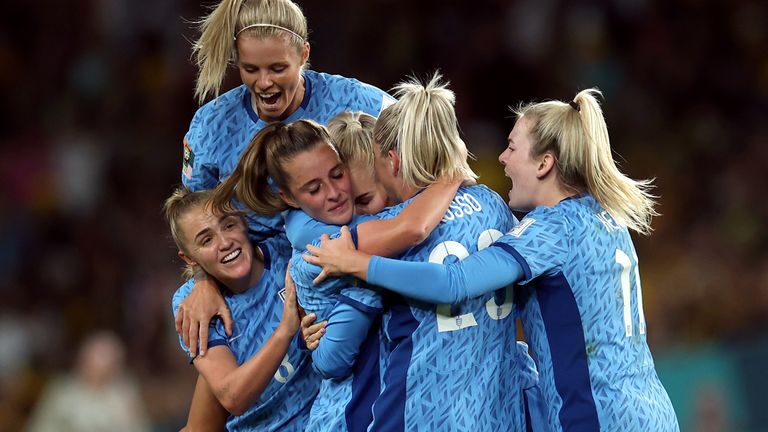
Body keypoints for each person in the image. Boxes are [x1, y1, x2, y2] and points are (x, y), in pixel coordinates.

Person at [304, 89, 680, 431]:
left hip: (593, 416)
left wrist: (354, 268)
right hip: (650, 409)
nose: (501, 157)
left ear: (544, 163)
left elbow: (451, 284)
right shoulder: (599, 214)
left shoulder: (545, 232)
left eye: (512, 148)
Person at [300, 73, 534, 431]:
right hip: (498, 415)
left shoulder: (386, 234)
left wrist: (314, 330)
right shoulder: (494, 205)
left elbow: (332, 357)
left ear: (392, 160)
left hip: (418, 414)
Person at [209, 116, 461, 431]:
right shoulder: (327, 246)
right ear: (290, 199)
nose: (335, 194)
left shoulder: (319, 224)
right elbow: (330, 360)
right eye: (314, 189)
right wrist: (452, 174)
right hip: (352, 416)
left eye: (338, 175)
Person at [177, 0, 395, 356]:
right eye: (250, 69)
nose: (264, 82)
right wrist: (202, 282)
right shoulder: (211, 127)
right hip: (258, 300)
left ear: (304, 54)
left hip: (353, 278)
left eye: (278, 68)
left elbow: (422, 158)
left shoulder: (359, 101)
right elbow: (193, 221)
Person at [165, 188, 319, 431]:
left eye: (228, 225)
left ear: (244, 222)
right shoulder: (191, 305)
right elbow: (233, 398)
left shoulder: (285, 246)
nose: (225, 243)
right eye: (206, 240)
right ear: (190, 259)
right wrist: (286, 330)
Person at [26, 331, 149, 432]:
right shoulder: (62, 391)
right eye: (97, 358)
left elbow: (138, 426)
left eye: (112, 361)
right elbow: (41, 426)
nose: (104, 367)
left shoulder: (124, 391)